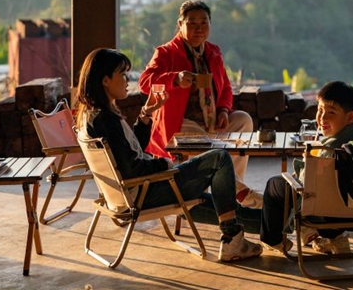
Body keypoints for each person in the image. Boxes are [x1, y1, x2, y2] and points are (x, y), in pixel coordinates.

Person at [75, 48, 262, 262]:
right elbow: (131, 168)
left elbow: (128, 152)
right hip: (144, 193)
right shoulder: (106, 119)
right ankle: (232, 238)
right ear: (105, 80)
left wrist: (145, 115)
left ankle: (271, 226)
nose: (127, 80)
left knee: (205, 200)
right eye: (122, 74)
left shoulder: (92, 117)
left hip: (128, 195)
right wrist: (164, 164)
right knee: (219, 158)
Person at [138, 0, 262, 208]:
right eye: (192, 23)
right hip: (180, 124)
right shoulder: (166, 52)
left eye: (204, 22)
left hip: (211, 120)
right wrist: (175, 78)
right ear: (180, 24)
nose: (199, 28)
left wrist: (223, 110)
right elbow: (144, 82)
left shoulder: (213, 52)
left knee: (243, 120)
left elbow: (226, 89)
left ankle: (232, 185)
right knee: (199, 143)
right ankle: (239, 193)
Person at [260, 81, 353, 256]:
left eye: (331, 112)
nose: (322, 118)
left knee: (275, 185)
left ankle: (273, 240)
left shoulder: (329, 150)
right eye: (320, 110)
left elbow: (306, 184)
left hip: (329, 213)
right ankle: (334, 239)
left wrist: (305, 162)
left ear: (350, 117)